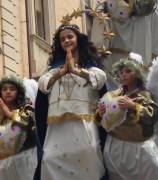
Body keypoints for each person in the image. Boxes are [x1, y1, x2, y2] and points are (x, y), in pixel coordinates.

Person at [37, 24, 107, 180]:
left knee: (88, 156)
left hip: (84, 124)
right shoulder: (53, 71)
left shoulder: (91, 70)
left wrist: (75, 70)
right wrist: (61, 72)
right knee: (49, 159)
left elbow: (100, 80)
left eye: (70, 37)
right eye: (62, 39)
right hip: (57, 128)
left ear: (78, 39)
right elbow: (43, 85)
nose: (66, 41)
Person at [95, 55, 158, 180]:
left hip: (137, 149)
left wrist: (134, 106)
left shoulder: (144, 94)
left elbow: (152, 115)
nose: (123, 75)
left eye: (128, 71)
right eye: (121, 72)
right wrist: (100, 113)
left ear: (138, 74)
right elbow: (101, 120)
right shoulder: (113, 95)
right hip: (115, 146)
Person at [0, 75, 37, 180]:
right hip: (4, 164)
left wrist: (8, 113)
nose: (8, 92)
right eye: (4, 89)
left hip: (23, 161)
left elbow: (25, 124)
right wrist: (1, 117)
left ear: (18, 92)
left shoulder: (26, 110)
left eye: (12, 89)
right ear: (1, 93)